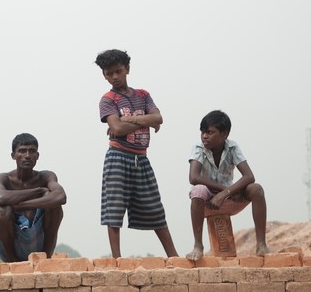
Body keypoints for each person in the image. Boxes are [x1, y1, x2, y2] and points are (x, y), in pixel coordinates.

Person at [95, 49, 177, 258]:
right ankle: (117, 260)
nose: (114, 77)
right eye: (109, 73)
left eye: (118, 71)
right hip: (117, 157)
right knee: (113, 209)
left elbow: (158, 118)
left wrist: (127, 120)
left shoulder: (143, 95)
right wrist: (144, 121)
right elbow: (118, 130)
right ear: (104, 74)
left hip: (141, 158)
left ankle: (174, 257)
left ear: (127, 70)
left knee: (154, 207)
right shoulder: (107, 99)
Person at [186, 110, 271, 260]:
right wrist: (226, 191)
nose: (204, 136)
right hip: (206, 202)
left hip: (230, 199)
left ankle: (261, 245)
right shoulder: (199, 148)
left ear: (224, 134)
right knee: (198, 190)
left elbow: (249, 176)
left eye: (210, 132)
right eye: (203, 132)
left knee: (256, 189)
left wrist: (226, 194)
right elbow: (193, 177)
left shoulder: (232, 147)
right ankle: (198, 245)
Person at [0, 133, 66, 262]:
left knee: (54, 204)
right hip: (12, 245)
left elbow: (61, 197)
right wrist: (38, 190)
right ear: (13, 156)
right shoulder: (3, 178)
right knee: (2, 210)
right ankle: (12, 262)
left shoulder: (46, 176)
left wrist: (21, 205)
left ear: (37, 156)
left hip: (39, 244)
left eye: (32, 151)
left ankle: (46, 258)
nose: (27, 156)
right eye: (22, 151)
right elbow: (2, 197)